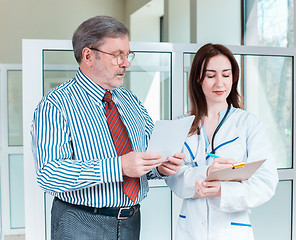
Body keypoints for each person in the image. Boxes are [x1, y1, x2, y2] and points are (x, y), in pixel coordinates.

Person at [31, 15, 184, 240]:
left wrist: (158, 168)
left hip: (131, 222)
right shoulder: (56, 104)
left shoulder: (129, 100)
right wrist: (118, 166)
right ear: (88, 55)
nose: (126, 63)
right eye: (117, 55)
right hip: (80, 223)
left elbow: (142, 158)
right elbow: (49, 173)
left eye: (127, 54)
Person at [165, 43, 279, 240]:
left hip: (232, 230)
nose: (220, 83)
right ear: (198, 79)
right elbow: (173, 178)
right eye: (211, 75)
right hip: (191, 228)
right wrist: (202, 176)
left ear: (233, 78)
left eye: (226, 75)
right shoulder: (180, 125)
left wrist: (222, 191)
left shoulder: (249, 124)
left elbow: (266, 182)